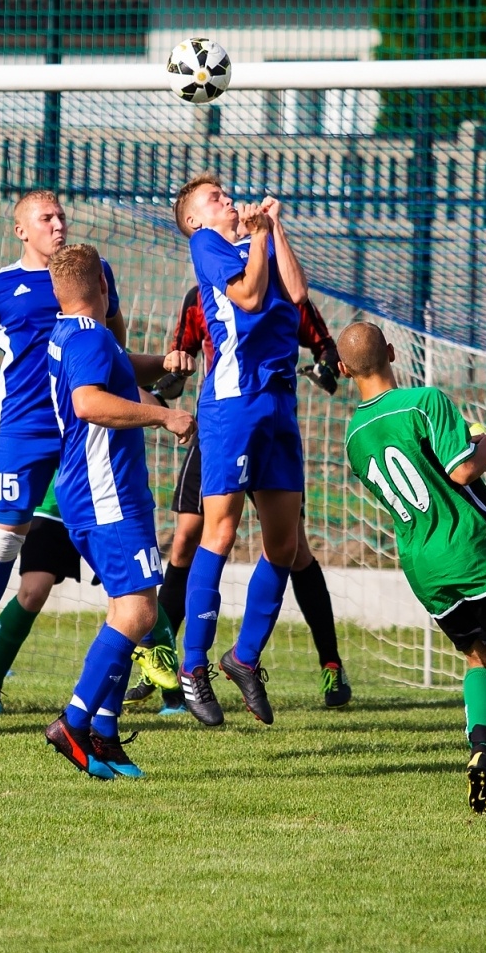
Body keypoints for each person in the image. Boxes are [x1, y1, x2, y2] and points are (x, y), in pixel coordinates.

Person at [337, 322, 486, 814]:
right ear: (391, 351)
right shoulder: (424, 401)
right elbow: (460, 471)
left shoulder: (353, 437)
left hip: (422, 563)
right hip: (469, 549)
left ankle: (480, 749)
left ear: (344, 371)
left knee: (479, 659)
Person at [0, 191, 126, 692]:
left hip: (82, 430)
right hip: (22, 430)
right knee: (3, 539)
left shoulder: (91, 273)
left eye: (61, 215)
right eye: (46, 218)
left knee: (108, 533)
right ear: (22, 231)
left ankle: (150, 660)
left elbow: (114, 344)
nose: (58, 224)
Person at [132, 285, 352, 713]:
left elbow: (323, 346)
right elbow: (178, 365)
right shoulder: (200, 295)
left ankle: (330, 663)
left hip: (271, 423)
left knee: (293, 548)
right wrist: (170, 380)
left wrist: (328, 365)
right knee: (187, 538)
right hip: (224, 423)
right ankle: (169, 659)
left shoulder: (287, 291)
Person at [40, 245, 196, 779]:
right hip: (106, 497)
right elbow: (88, 401)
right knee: (137, 614)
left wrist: (165, 364)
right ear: (104, 291)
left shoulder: (72, 334)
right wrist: (162, 416)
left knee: (126, 611)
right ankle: (75, 721)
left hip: (97, 494)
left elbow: (120, 366)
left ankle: (104, 735)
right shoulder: (88, 338)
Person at [173, 174, 309, 727]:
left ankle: (244, 657)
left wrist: (273, 228)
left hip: (279, 402)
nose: (227, 200)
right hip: (232, 403)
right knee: (221, 532)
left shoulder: (256, 241)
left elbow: (297, 297)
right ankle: (191, 666)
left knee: (285, 541)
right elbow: (249, 296)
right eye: (214, 199)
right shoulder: (206, 245)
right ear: (195, 220)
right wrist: (254, 239)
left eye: (226, 194)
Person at [0, 479, 183, 717]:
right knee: (32, 593)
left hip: (103, 505)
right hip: (50, 507)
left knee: (135, 594)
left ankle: (175, 694)